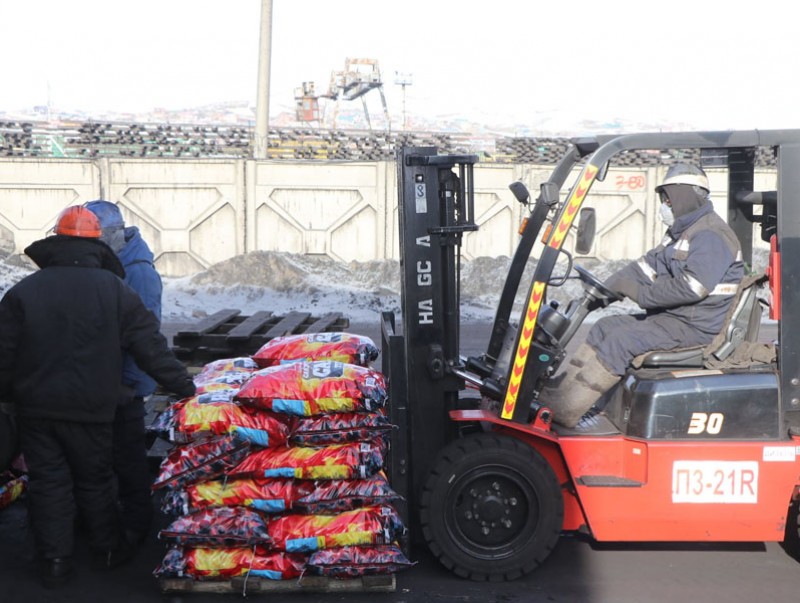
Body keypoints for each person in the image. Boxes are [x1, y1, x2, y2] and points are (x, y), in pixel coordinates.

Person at [0, 206, 196, 588]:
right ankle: (107, 550)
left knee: (49, 482)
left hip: (36, 411)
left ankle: (55, 561)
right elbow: (150, 347)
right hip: (93, 411)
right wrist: (187, 388)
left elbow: (3, 352)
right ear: (98, 244)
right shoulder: (116, 290)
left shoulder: (23, 292)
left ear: (55, 241)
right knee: (94, 480)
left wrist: (9, 397)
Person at [541, 163, 745, 427]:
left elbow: (692, 287)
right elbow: (645, 267)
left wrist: (639, 293)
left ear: (684, 196)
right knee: (605, 327)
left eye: (668, 198)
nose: (665, 205)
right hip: (672, 319)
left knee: (621, 340)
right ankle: (561, 393)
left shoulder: (711, 235)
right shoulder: (681, 233)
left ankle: (567, 410)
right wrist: (609, 288)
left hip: (694, 327)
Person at [85, 200, 160, 547]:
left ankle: (135, 526)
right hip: (103, 383)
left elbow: (143, 336)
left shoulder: (138, 272)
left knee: (128, 458)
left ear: (115, 234)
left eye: (97, 238)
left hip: (124, 387)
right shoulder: (110, 263)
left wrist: (129, 383)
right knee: (103, 456)